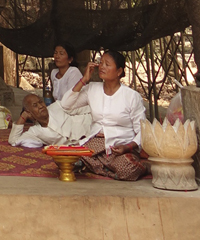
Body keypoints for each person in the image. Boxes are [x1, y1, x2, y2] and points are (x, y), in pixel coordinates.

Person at [61, 49, 149, 180]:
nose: (102, 66)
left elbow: (143, 130)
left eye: (107, 64)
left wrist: (127, 147)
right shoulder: (92, 89)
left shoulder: (131, 96)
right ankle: (107, 169)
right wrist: (84, 79)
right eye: (100, 63)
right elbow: (66, 104)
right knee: (65, 162)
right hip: (94, 143)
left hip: (120, 147)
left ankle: (98, 167)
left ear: (119, 72)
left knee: (126, 169)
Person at [9, 93, 91, 149]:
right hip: (82, 145)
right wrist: (23, 117)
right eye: (35, 105)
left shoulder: (57, 106)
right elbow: (13, 140)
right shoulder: (35, 131)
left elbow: (84, 109)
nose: (41, 106)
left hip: (93, 129)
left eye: (41, 102)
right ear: (29, 112)